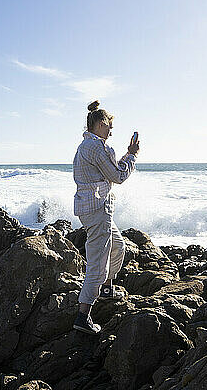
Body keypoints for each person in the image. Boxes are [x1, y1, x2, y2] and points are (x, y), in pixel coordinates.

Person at [71, 100, 139, 334]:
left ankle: (107, 290)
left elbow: (111, 171)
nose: (111, 131)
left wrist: (124, 158)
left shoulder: (88, 146)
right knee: (97, 265)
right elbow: (119, 177)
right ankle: (83, 316)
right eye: (110, 126)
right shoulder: (96, 148)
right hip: (97, 211)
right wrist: (131, 155)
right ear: (100, 125)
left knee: (118, 247)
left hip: (93, 209)